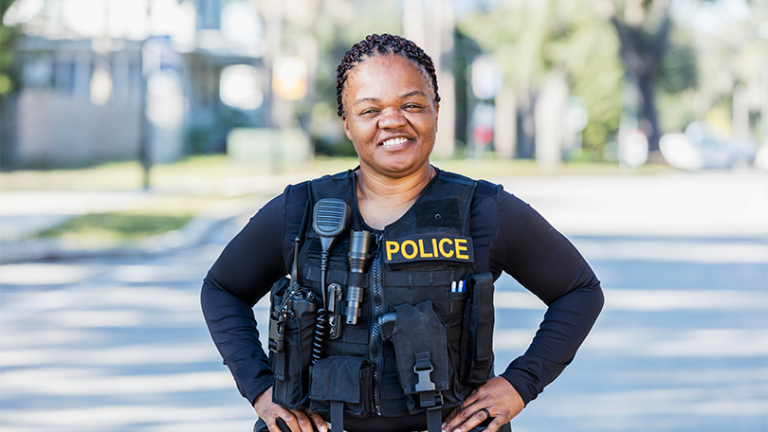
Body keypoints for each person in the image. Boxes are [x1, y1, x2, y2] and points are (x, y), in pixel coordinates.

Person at [201, 34, 604, 432]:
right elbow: (222, 289)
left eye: (411, 105)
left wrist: (520, 385)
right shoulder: (301, 209)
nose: (392, 121)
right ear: (346, 123)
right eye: (369, 110)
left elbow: (579, 291)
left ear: (436, 110)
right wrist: (259, 389)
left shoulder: (482, 209)